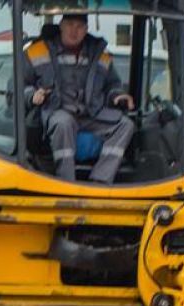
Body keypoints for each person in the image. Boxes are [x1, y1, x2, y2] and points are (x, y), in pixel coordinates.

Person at [23, 13, 136, 183]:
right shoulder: (36, 52)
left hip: (91, 113)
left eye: (79, 27)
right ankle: (66, 182)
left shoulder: (100, 54)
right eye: (69, 25)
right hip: (56, 110)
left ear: (86, 30)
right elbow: (17, 86)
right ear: (61, 25)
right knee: (64, 123)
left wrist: (117, 95)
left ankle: (100, 180)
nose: (74, 31)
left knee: (126, 125)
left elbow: (112, 84)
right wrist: (32, 95)